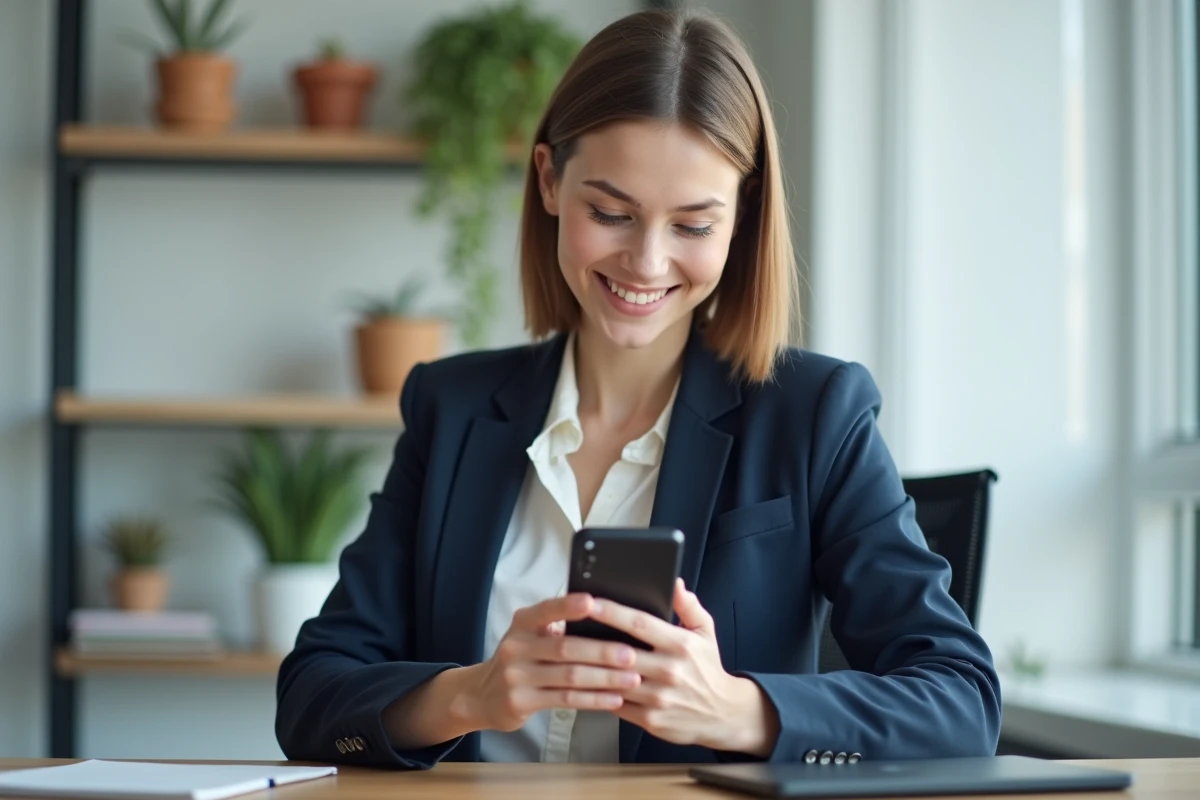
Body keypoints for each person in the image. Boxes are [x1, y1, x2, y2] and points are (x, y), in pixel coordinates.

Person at [275, 7, 1001, 769]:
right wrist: (471, 693)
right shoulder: (450, 408)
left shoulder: (815, 414)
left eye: (692, 225)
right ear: (549, 180)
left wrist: (736, 710)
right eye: (611, 213)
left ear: (742, 216)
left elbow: (961, 703)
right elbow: (312, 698)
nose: (647, 263)